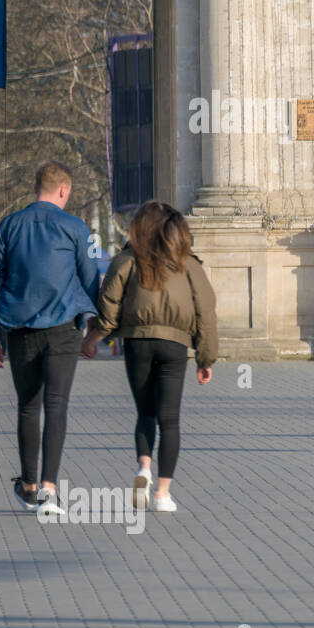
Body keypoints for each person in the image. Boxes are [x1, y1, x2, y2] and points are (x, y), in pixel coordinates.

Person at [81, 201, 218, 513]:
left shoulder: (126, 261)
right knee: (170, 419)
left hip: (138, 343)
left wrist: (93, 339)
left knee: (145, 413)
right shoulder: (190, 266)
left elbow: (109, 306)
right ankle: (163, 494)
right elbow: (206, 312)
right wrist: (205, 358)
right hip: (175, 346)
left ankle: (143, 467)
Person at [0, 161, 100, 516]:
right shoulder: (74, 227)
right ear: (63, 190)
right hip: (64, 329)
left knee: (28, 406)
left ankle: (29, 484)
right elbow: (92, 281)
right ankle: (50, 489)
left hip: (19, 330)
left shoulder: (9, 225)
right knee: (57, 404)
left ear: (37, 188)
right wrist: (98, 332)